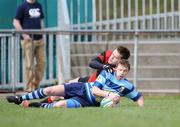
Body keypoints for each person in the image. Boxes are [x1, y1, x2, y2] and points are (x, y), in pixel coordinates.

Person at [6, 59, 144, 108]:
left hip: (87, 102)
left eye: (125, 71)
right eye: (120, 70)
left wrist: (142, 109)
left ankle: (36, 105)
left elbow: (138, 97)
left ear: (127, 72)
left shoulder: (127, 86)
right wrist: (110, 94)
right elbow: (95, 90)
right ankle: (20, 99)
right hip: (82, 88)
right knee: (50, 90)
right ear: (115, 69)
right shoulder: (107, 73)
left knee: (59, 105)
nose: (122, 73)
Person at [41, 45, 131, 103]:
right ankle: (42, 103)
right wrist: (103, 66)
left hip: (92, 89)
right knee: (67, 85)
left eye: (115, 57)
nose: (111, 57)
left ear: (121, 61)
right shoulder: (107, 54)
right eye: (113, 53)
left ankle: (43, 104)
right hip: (89, 80)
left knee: (62, 95)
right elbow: (92, 63)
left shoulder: (119, 71)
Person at [13, 0, 45, 91]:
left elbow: (41, 20)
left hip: (39, 40)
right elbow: (15, 22)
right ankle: (29, 88)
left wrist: (43, 33)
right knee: (29, 65)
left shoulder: (39, 5)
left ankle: (36, 85)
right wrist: (24, 34)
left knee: (41, 64)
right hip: (28, 41)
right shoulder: (22, 6)